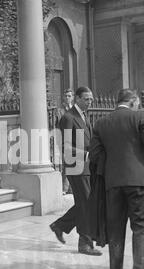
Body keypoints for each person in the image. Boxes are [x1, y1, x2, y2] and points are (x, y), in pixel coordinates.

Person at [89, 89, 144, 269]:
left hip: (113, 183)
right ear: (134, 101)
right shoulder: (139, 117)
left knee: (116, 228)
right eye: (137, 103)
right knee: (141, 228)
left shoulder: (101, 123)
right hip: (139, 182)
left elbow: (94, 155)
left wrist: (111, 167)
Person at [50, 87, 102, 256]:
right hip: (76, 167)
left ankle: (60, 225)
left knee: (85, 203)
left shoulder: (84, 116)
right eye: (86, 99)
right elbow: (64, 147)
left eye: (91, 99)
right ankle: (84, 244)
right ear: (78, 99)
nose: (90, 102)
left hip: (86, 167)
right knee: (87, 204)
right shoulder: (68, 117)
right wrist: (86, 154)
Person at [57, 89, 74, 195]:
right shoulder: (60, 111)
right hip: (64, 139)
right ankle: (64, 188)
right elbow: (58, 125)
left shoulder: (75, 110)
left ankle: (72, 189)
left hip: (76, 139)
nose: (67, 98)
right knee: (66, 164)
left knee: (74, 164)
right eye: (66, 96)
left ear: (72, 97)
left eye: (69, 96)